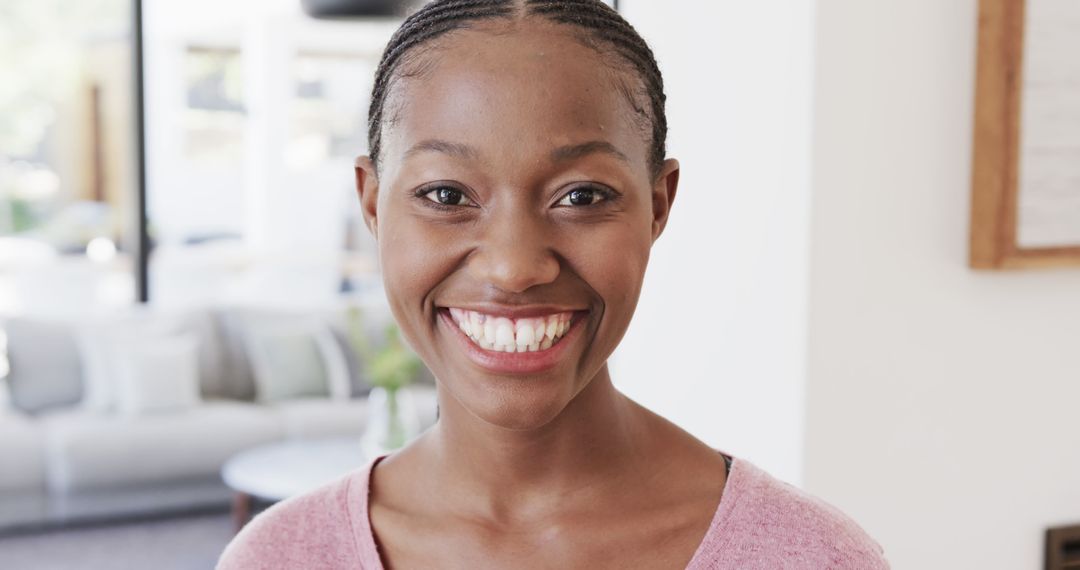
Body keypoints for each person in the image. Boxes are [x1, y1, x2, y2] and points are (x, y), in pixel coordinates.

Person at [218, 1, 889, 568]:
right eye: (447, 193)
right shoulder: (280, 558)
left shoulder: (808, 556)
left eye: (582, 195)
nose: (514, 267)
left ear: (658, 205)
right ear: (371, 203)